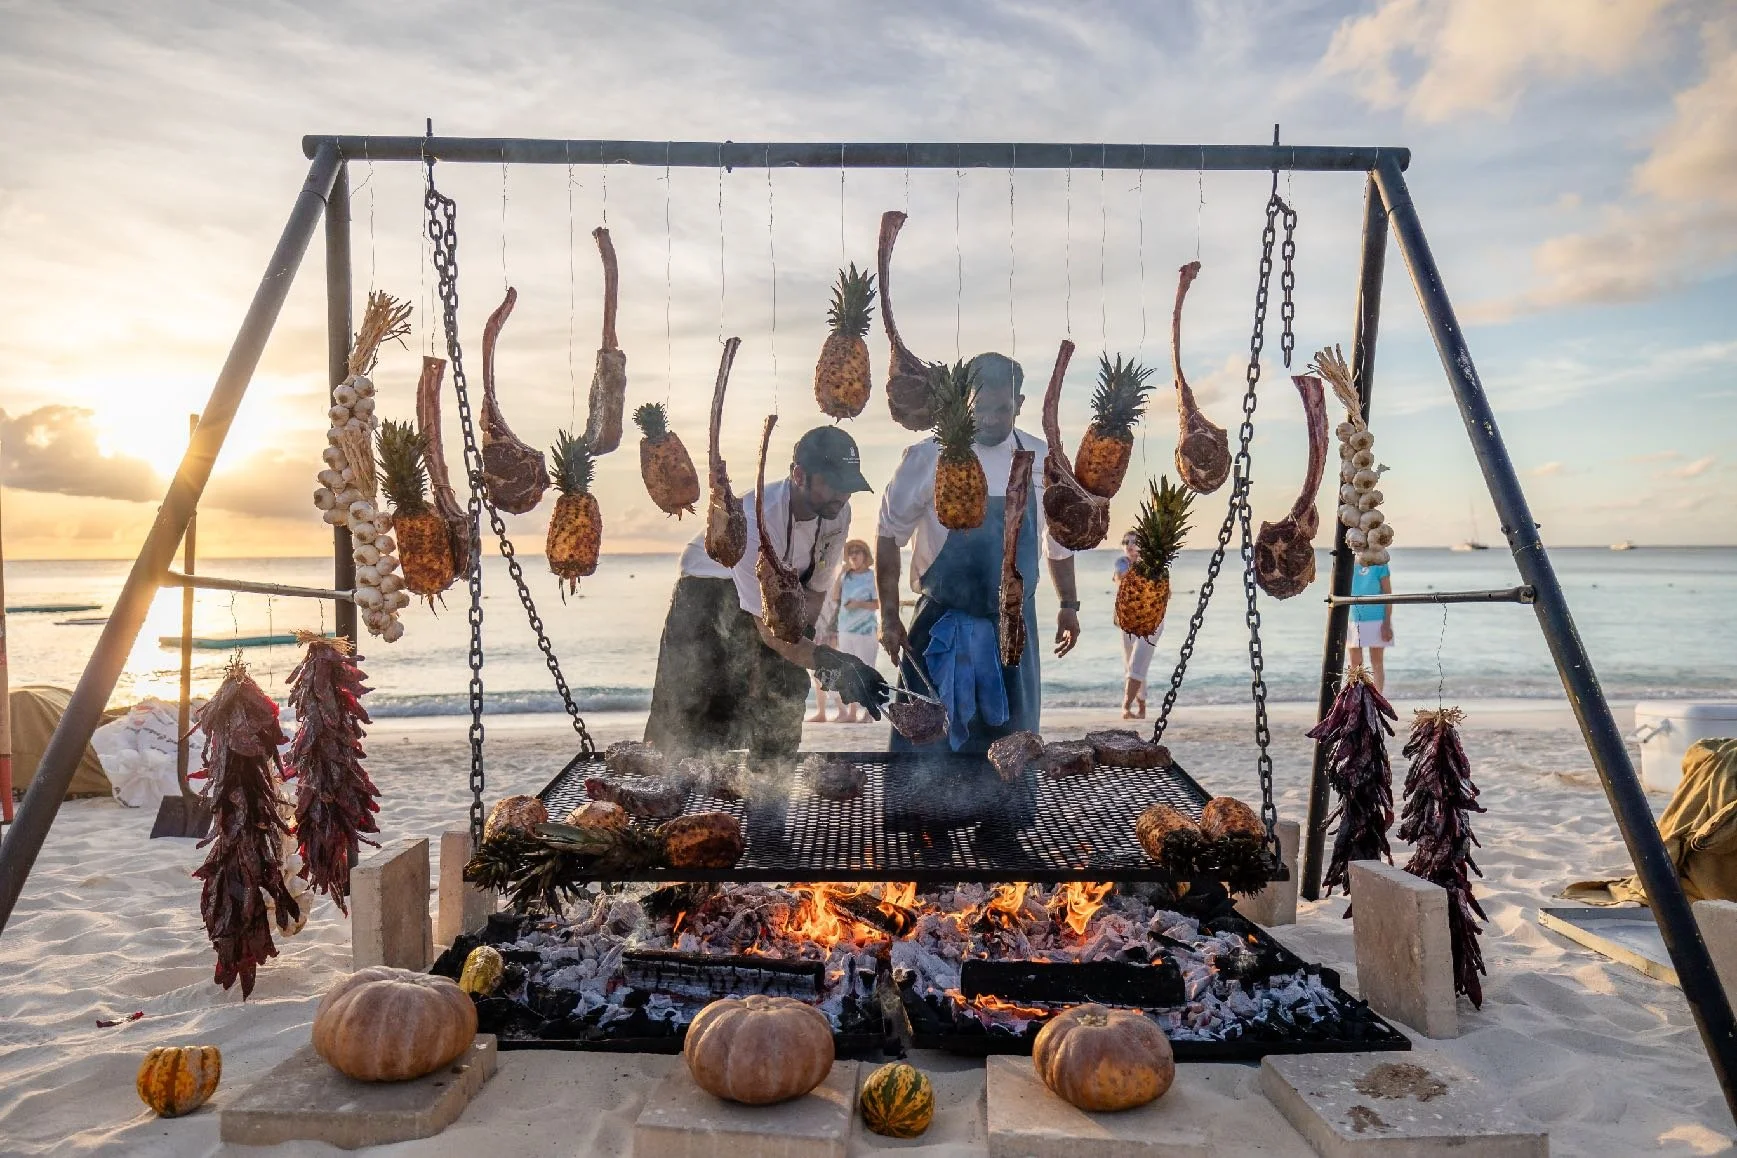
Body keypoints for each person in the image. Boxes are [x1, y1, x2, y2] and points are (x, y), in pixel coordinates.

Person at [876, 352, 1082, 753]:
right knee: (922, 754)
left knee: (1014, 754)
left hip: (1015, 630)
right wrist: (887, 616)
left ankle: (1008, 818)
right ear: (965, 400)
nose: (990, 419)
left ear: (1019, 404)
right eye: (981, 408)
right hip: (938, 625)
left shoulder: (1044, 459)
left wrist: (1069, 604)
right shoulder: (926, 457)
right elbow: (888, 536)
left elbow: (1059, 539)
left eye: (1002, 409)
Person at [645, 425, 890, 761]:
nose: (843, 496)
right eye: (834, 484)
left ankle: (769, 791)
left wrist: (816, 654)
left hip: (776, 600)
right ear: (799, 475)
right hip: (709, 592)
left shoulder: (837, 513)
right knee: (691, 717)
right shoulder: (754, 522)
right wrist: (824, 659)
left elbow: (816, 592)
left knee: (786, 693)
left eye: (849, 487)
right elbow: (768, 631)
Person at [812, 539, 881, 724]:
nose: (854, 555)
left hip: (866, 631)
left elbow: (878, 603)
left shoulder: (872, 577)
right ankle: (851, 713)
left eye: (858, 551)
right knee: (850, 671)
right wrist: (841, 573)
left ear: (865, 555)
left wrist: (858, 604)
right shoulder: (846, 576)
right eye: (851, 552)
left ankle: (868, 713)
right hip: (846, 630)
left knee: (867, 670)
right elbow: (835, 597)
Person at [1113, 531, 1160, 719]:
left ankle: (1127, 706)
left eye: (1135, 542)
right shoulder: (1122, 563)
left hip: (1147, 618)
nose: (1130, 545)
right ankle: (1141, 705)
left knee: (1137, 662)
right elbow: (1121, 580)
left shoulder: (1151, 565)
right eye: (1126, 542)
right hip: (1126, 619)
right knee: (1130, 662)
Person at [1347, 556, 1394, 692]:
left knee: (1377, 663)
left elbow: (1388, 595)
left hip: (1377, 618)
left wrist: (1387, 623)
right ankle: (1356, 700)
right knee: (1355, 664)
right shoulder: (1346, 563)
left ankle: (1378, 700)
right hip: (1352, 617)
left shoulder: (1380, 563)